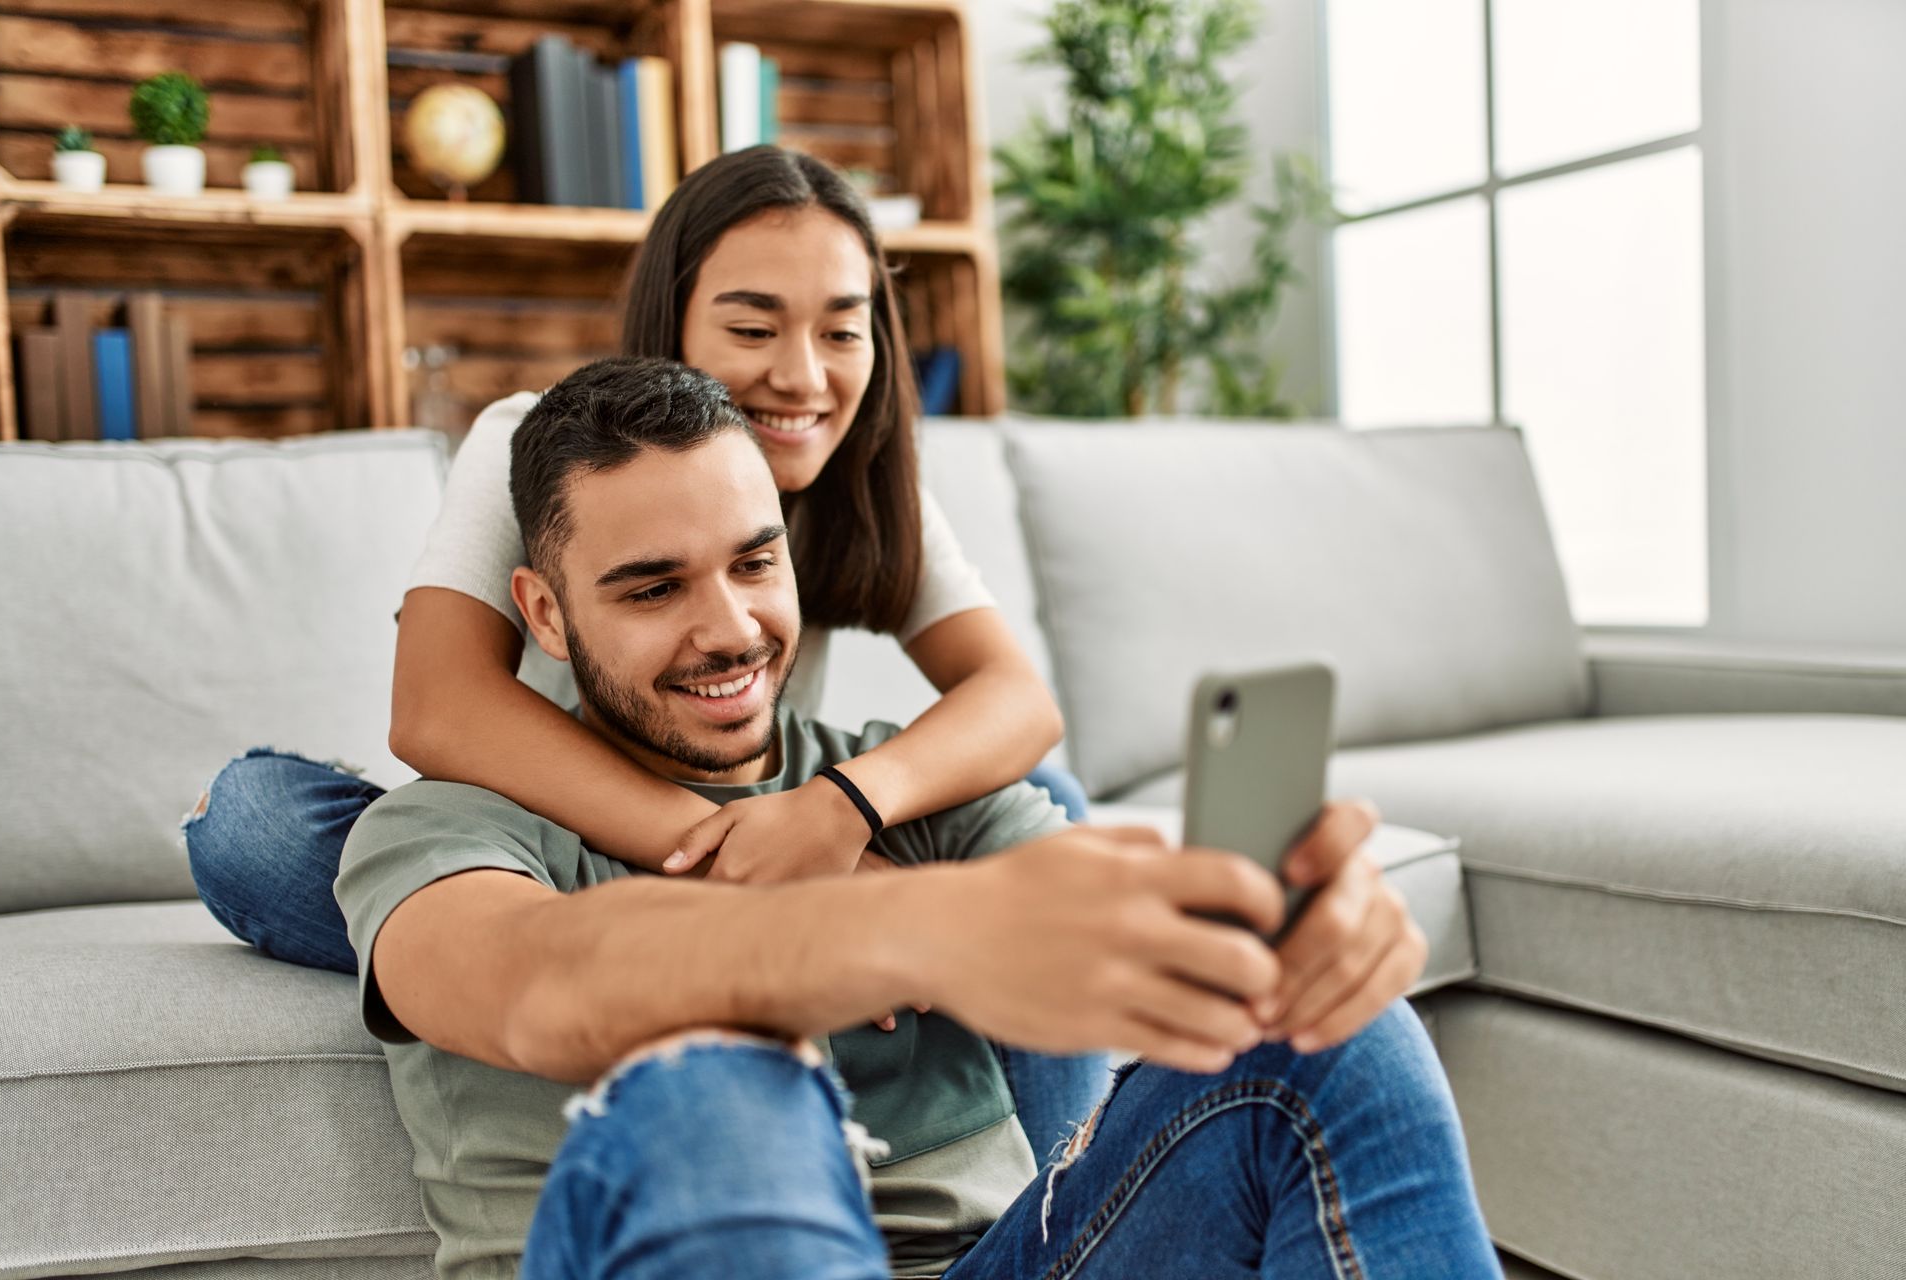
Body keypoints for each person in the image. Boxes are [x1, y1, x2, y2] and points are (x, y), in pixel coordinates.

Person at [335, 356, 1501, 1280]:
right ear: (541, 611)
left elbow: (1088, 906)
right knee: (714, 1088)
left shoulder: (900, 785)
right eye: (653, 587)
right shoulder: (444, 827)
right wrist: (911, 930)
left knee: (1345, 1029)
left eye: (755, 562)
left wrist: (1284, 936)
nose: (732, 627)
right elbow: (543, 987)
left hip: (1011, 1261)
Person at [182, 146, 1102, 1157]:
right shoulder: (536, 441)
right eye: (752, 327)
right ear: (674, 324)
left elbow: (1018, 701)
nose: (800, 373)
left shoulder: (863, 478)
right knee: (254, 818)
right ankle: (700, 944)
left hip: (766, 815)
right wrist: (732, 863)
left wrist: (843, 809)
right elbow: (437, 707)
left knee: (1039, 802)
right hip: (553, 847)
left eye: (843, 329)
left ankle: (1074, 1197)